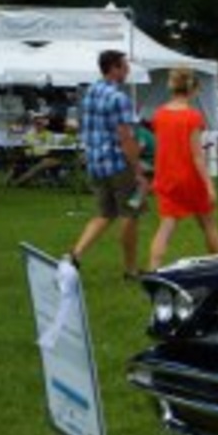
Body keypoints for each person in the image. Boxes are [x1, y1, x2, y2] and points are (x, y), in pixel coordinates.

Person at [66, 50, 147, 277]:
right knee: (130, 213)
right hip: (120, 166)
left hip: (95, 164)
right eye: (124, 66)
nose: (128, 70)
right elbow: (125, 137)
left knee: (105, 214)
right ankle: (131, 270)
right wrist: (139, 171)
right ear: (113, 68)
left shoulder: (90, 92)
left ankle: (75, 255)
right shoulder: (119, 98)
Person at [147, 68, 218, 269]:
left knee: (165, 227)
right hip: (189, 177)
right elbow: (197, 156)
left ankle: (153, 269)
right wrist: (209, 185)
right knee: (208, 224)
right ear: (192, 89)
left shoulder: (159, 115)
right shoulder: (193, 117)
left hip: (166, 177)